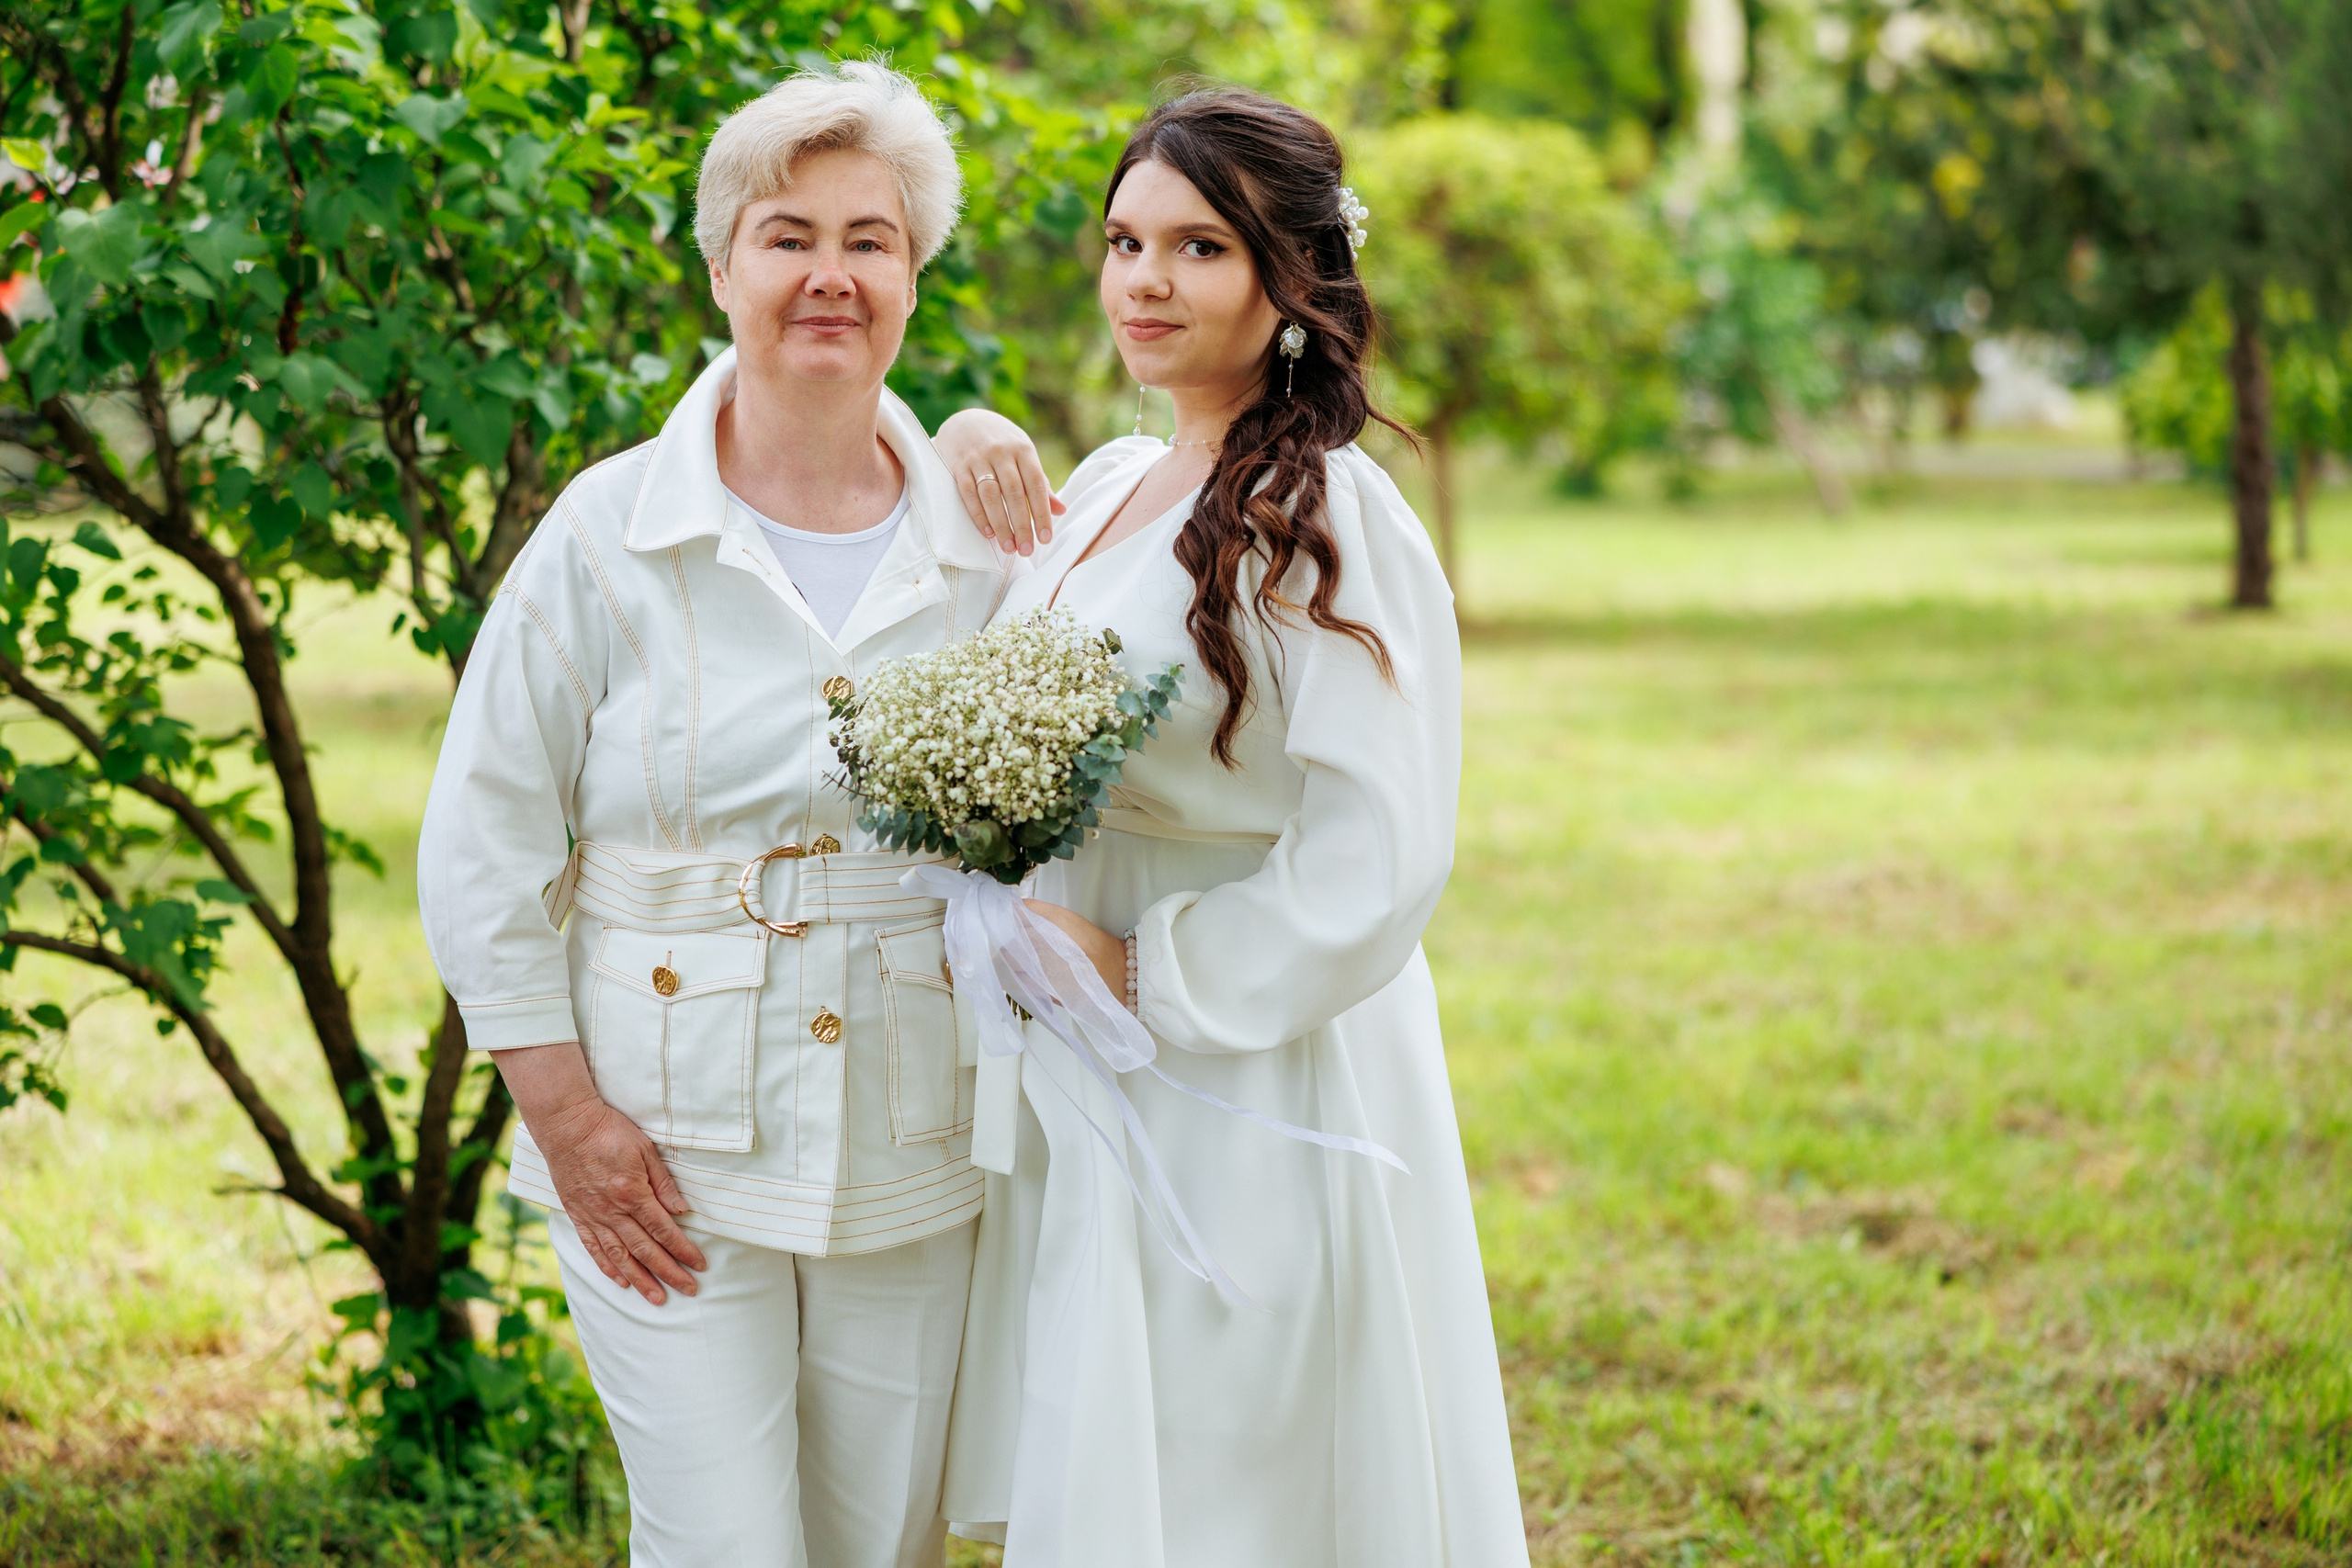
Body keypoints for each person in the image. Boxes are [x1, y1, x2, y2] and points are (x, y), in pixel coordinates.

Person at [417, 62, 1012, 1568]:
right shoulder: (606, 533)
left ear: (914, 276)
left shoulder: (990, 544)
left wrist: (980, 430)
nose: (830, 275)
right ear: (722, 267)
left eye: (870, 240)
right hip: (659, 1145)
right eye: (786, 236)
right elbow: (482, 843)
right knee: (720, 1548)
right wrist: (567, 1121)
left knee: (882, 1547)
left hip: (914, 1135)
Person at [930, 88, 1529, 1567]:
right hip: (1083, 1035)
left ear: (1291, 278)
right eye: (1125, 241)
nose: (1145, 281)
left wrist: (1149, 975)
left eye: (1199, 247)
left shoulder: (1329, 513)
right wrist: (959, 437)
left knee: (1240, 1456)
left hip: (1253, 1038)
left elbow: (1382, 854)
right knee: (1120, 1433)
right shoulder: (1112, 484)